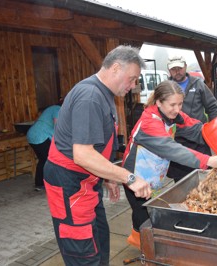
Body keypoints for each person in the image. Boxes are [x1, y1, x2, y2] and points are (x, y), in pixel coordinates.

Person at [43, 45, 152, 266]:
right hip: (70, 185)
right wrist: (128, 177)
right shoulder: (90, 96)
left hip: (88, 182)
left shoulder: (105, 94)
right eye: (131, 79)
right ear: (114, 68)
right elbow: (82, 155)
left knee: (100, 240)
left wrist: (108, 177)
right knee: (82, 253)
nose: (132, 87)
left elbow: (99, 146)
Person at [122, 80, 217, 249]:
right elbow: (172, 149)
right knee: (144, 215)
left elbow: (196, 128)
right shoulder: (149, 122)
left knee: (147, 210)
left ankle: (142, 242)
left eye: (180, 104)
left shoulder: (173, 115)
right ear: (159, 102)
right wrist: (208, 160)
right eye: (172, 104)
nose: (177, 109)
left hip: (153, 172)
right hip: (134, 175)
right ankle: (146, 248)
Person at [166, 55, 217, 182]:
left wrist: (214, 131)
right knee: (180, 180)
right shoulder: (164, 88)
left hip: (199, 139)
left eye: (180, 68)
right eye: (174, 69)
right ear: (169, 70)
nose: (177, 71)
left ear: (185, 66)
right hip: (177, 141)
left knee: (205, 177)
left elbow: (212, 107)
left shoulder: (198, 84)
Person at [26, 102, 61, 191]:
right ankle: (48, 183)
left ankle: (40, 183)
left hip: (32, 134)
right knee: (49, 160)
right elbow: (58, 126)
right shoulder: (57, 109)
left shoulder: (51, 108)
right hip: (40, 136)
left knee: (44, 160)